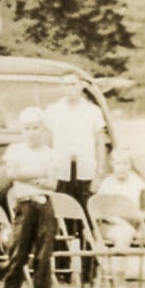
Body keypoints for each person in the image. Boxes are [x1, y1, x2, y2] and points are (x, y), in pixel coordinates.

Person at [0, 107, 65, 288]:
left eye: (35, 127)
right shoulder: (14, 150)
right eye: (27, 128)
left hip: (44, 206)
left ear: (43, 130)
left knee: (44, 258)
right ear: (21, 130)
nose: (31, 132)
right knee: (17, 255)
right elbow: (12, 174)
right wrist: (39, 176)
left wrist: (26, 177)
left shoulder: (52, 153)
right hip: (24, 206)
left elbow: (52, 184)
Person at [43, 73, 107, 209]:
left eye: (73, 84)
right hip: (60, 169)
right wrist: (48, 171)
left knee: (87, 210)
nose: (70, 88)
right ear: (62, 87)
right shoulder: (53, 110)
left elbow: (100, 143)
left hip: (86, 168)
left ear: (81, 86)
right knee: (63, 209)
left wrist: (99, 174)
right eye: (66, 85)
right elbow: (47, 143)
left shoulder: (93, 111)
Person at [94, 150, 145, 253]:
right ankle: (117, 268)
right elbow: (102, 212)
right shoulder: (107, 184)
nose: (122, 167)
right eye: (118, 163)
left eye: (125, 163)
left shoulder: (136, 181)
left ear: (130, 165)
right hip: (111, 224)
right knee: (124, 235)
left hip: (135, 224)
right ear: (112, 164)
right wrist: (124, 224)